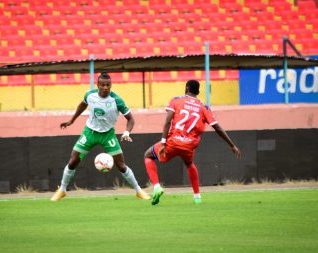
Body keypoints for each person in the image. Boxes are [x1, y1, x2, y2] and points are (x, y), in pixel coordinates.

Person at [51, 72, 150, 201]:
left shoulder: (117, 100)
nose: (105, 88)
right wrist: (72, 120)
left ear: (111, 85)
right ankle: (62, 190)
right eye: (102, 85)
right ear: (97, 85)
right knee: (73, 160)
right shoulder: (90, 95)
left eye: (108, 85)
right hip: (90, 133)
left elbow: (130, 119)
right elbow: (82, 104)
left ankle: (138, 190)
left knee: (121, 165)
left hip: (108, 135)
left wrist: (126, 132)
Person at [144, 80, 241, 205]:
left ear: (186, 88)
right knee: (189, 164)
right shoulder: (204, 107)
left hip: (173, 142)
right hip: (189, 145)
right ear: (198, 92)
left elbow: (168, 121)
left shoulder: (176, 100)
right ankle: (197, 197)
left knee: (148, 156)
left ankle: (157, 187)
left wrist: (163, 143)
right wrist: (232, 145)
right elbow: (218, 128)